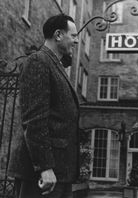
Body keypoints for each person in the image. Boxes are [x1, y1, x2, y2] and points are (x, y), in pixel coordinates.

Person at [8, 14, 79, 198]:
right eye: (73, 35)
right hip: (43, 175)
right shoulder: (38, 61)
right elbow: (35, 120)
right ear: (58, 35)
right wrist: (45, 168)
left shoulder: (55, 64)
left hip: (60, 171)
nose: (77, 41)